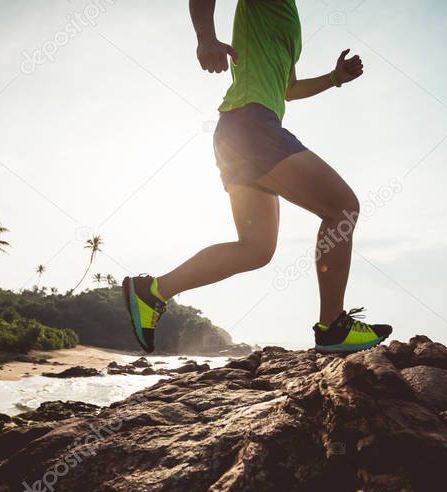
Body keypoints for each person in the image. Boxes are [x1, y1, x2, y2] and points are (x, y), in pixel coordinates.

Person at [122, 0, 392, 353]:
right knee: (342, 207)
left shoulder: (291, 22)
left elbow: (287, 89)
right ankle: (333, 327)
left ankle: (152, 292)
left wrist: (333, 79)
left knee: (256, 249)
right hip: (252, 126)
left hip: (240, 132)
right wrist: (205, 38)